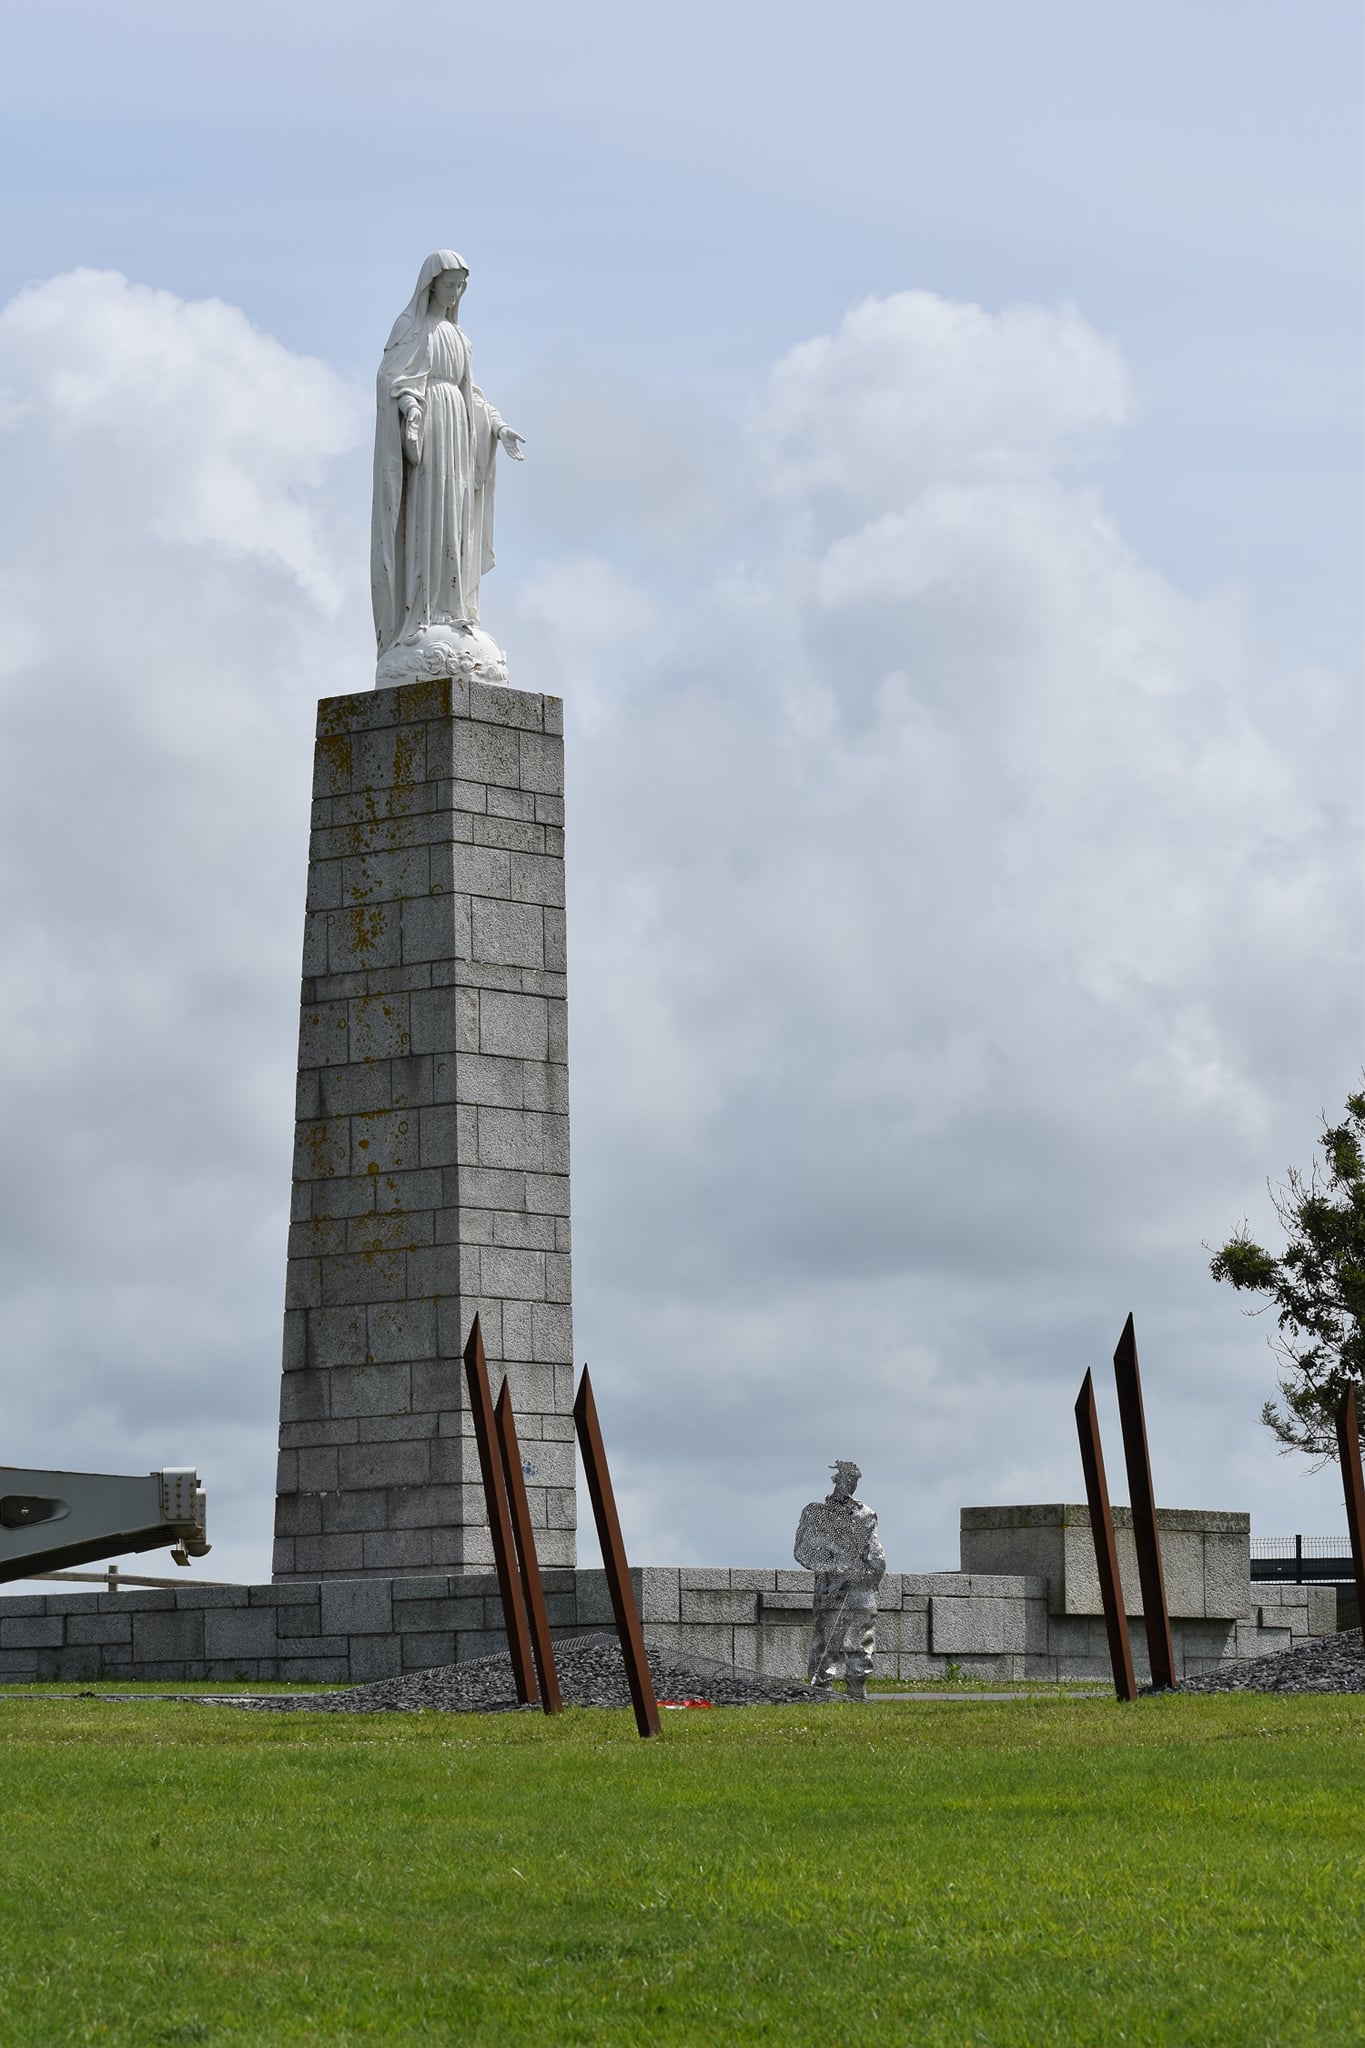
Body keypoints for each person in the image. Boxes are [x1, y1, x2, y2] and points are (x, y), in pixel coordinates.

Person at [371, 251, 524, 680]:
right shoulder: (411, 327)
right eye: (449, 283)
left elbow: (473, 394)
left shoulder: (460, 338)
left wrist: (498, 427)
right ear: (431, 284)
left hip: (458, 427)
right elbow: (394, 377)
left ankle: (454, 608)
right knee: (429, 514)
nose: (455, 292)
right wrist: (411, 409)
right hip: (431, 424)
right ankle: (419, 613)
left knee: (456, 517)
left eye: (461, 286)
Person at [793, 1460, 886, 1701]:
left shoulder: (866, 1514)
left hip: (861, 1590)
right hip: (832, 1589)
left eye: (855, 1480)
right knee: (826, 1646)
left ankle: (858, 1694)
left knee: (861, 1645)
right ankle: (822, 1695)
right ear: (837, 1480)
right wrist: (834, 1567)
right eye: (847, 1479)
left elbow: (875, 1551)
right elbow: (803, 1551)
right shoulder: (815, 1513)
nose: (851, 1485)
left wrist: (870, 1574)